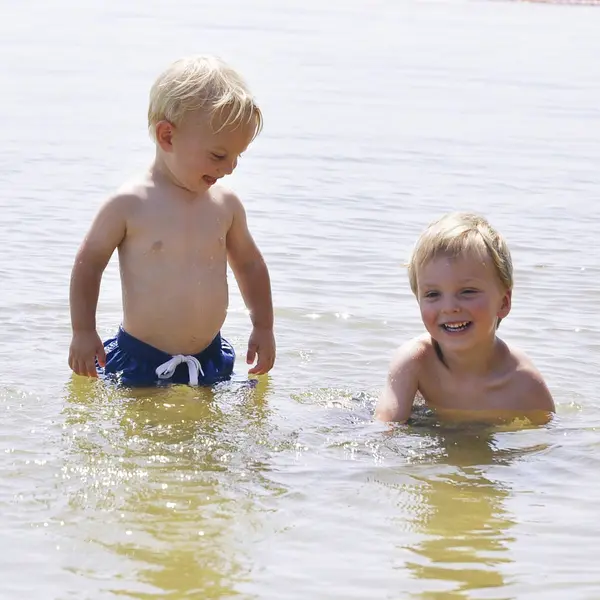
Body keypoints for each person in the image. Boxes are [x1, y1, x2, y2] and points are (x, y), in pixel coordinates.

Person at [68, 55, 275, 386]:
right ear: (167, 136)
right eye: (219, 155)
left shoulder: (226, 205)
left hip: (208, 359)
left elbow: (250, 265)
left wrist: (263, 326)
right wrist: (83, 330)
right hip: (140, 359)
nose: (230, 167)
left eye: (238, 156)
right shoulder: (129, 204)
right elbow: (89, 263)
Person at [375, 212, 555, 424]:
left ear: (503, 303)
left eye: (468, 291)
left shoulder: (524, 385)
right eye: (433, 294)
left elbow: (547, 447)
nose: (450, 308)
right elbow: (384, 431)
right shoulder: (416, 362)